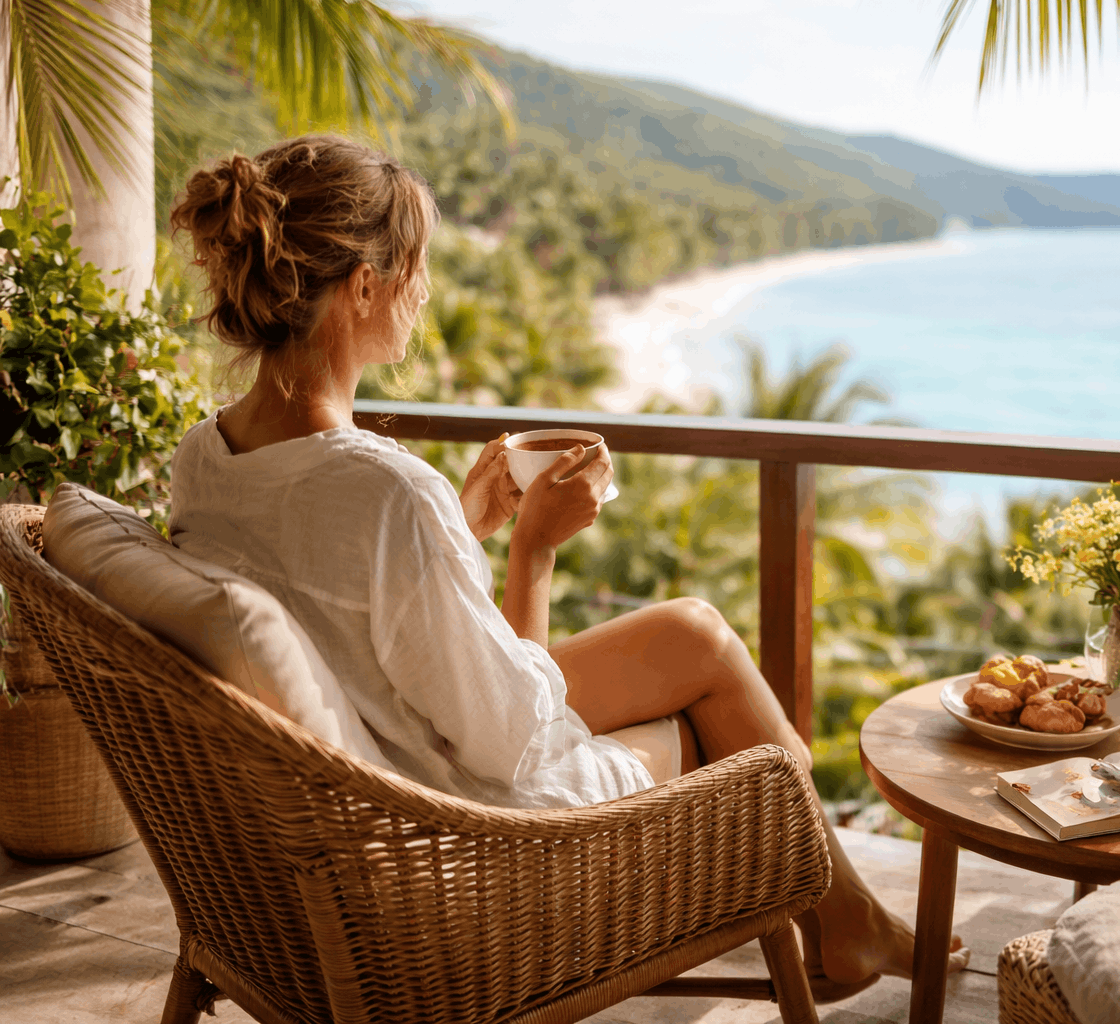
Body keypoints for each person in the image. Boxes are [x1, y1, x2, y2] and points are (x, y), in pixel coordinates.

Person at [165, 135, 968, 996]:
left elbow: (332, 598)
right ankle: (843, 922)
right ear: (364, 286)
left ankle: (847, 920)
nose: (425, 291)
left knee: (692, 632)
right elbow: (511, 742)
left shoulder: (204, 457)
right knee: (711, 724)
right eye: (416, 269)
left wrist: (461, 527)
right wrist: (533, 553)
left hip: (349, 798)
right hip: (469, 839)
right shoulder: (386, 491)